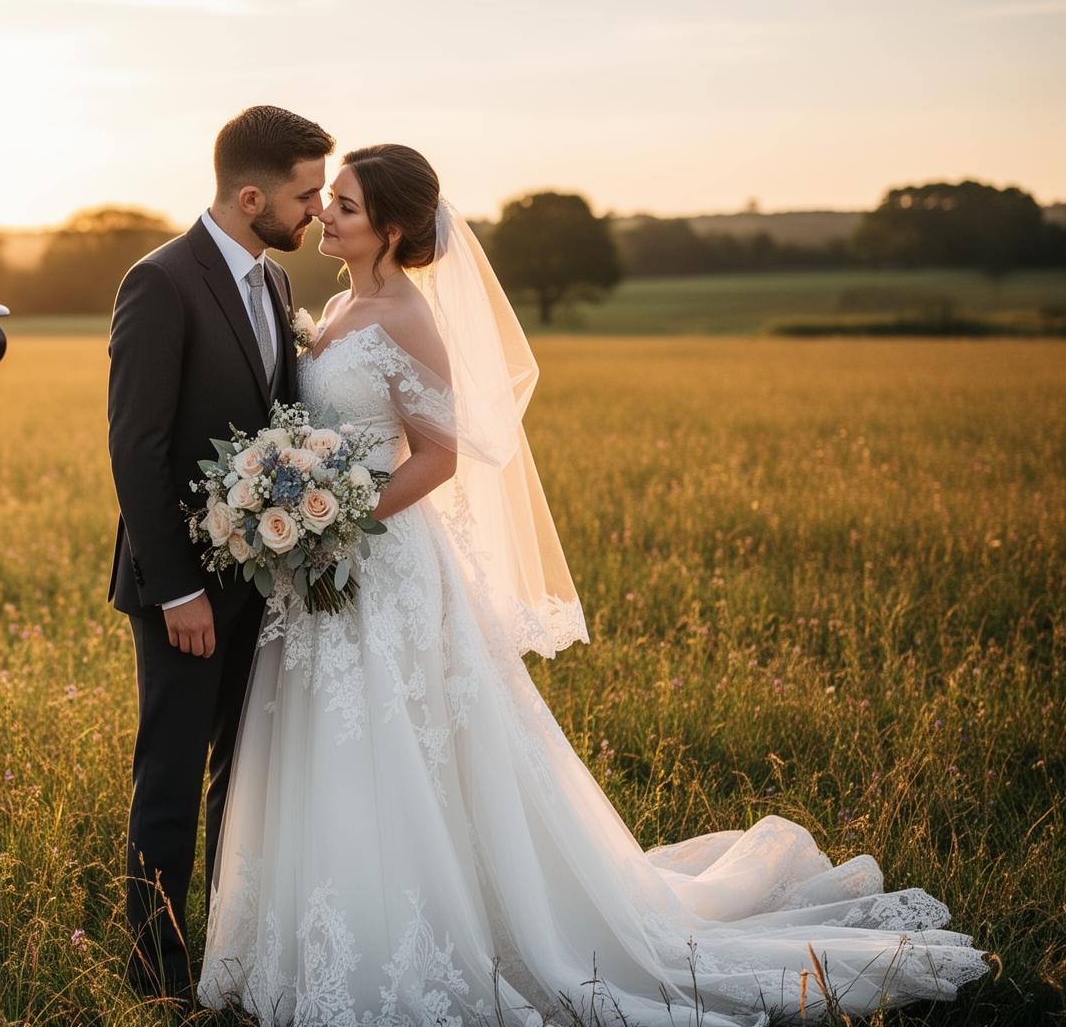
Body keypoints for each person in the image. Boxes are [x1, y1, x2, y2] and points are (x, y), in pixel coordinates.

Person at [195, 144, 991, 1025]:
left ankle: (431, 936)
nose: (324, 215)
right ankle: (319, 935)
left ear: (387, 227)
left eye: (342, 204)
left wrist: (346, 516)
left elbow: (443, 455)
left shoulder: (410, 320)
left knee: (399, 746)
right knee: (327, 742)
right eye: (326, 199)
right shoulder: (341, 303)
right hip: (327, 565)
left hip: (380, 558)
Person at [106, 104, 333, 1005]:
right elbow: (137, 446)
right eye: (305, 195)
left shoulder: (275, 284)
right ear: (251, 197)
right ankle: (154, 979)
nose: (315, 210)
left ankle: (226, 960)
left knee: (240, 777)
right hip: (183, 592)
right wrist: (176, 591)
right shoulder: (159, 282)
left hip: (262, 578)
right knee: (169, 775)